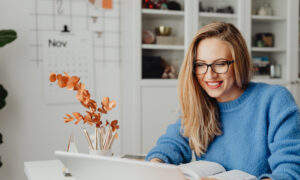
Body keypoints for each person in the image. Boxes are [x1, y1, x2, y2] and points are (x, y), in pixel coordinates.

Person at [145, 22, 300, 180]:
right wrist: (156, 166)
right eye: (200, 65)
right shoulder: (199, 101)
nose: (209, 75)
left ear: (238, 62)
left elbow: (290, 171)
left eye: (220, 64)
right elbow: (171, 144)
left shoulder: (275, 100)